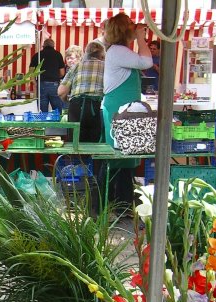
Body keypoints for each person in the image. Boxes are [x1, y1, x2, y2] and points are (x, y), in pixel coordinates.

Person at [101, 13, 153, 209]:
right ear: (124, 30)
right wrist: (141, 36)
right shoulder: (117, 51)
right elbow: (146, 62)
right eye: (131, 25)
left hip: (125, 111)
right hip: (119, 111)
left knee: (124, 158)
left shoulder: (119, 51)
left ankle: (122, 202)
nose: (134, 26)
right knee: (118, 158)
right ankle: (115, 203)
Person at [58, 41, 105, 143]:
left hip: (76, 106)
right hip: (95, 106)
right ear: (102, 54)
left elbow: (61, 91)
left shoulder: (77, 66)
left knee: (75, 142)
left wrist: (67, 100)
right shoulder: (106, 66)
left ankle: (76, 159)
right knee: (94, 143)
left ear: (86, 52)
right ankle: (91, 159)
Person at [30, 38, 66, 112]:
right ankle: (57, 123)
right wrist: (55, 77)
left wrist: (35, 83)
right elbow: (62, 72)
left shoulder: (37, 55)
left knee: (43, 112)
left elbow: (31, 72)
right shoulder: (58, 54)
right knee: (57, 111)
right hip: (54, 85)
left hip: (41, 85)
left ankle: (44, 122)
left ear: (43, 46)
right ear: (53, 46)